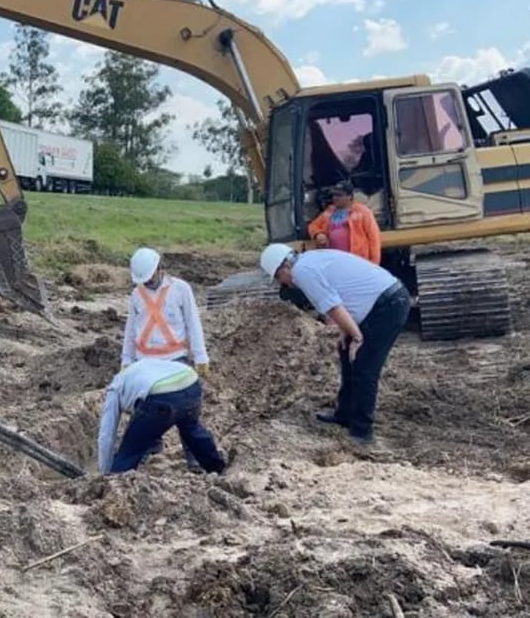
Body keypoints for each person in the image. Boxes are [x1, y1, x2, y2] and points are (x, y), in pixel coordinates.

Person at [259, 244, 411, 444]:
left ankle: (362, 432)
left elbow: (332, 305)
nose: (283, 284)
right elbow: (344, 294)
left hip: (388, 306)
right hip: (380, 303)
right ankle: (345, 414)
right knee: (345, 351)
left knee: (364, 366)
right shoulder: (309, 261)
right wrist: (346, 332)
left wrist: (356, 337)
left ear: (284, 267)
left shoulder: (303, 272)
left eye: (279, 278)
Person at [121, 247, 211, 471]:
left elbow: (193, 322)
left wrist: (200, 356)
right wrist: (126, 360)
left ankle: (195, 459)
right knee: (143, 411)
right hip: (145, 363)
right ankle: (149, 448)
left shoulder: (180, 289)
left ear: (160, 268)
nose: (148, 282)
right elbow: (131, 329)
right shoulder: (137, 295)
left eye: (150, 277)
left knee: (186, 414)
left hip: (174, 360)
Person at [97, 358, 228, 475]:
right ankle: (217, 467)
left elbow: (107, 435)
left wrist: (104, 471)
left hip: (160, 397)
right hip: (191, 383)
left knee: (130, 451)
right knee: (191, 429)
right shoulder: (141, 367)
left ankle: (115, 478)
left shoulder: (114, 390)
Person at [307, 181, 382, 264]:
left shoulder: (362, 212)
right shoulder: (329, 212)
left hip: (358, 261)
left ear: (350, 197)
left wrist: (374, 264)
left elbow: (374, 238)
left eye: (339, 195)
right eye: (334, 195)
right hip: (335, 261)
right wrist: (318, 234)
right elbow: (313, 226)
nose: (335, 198)